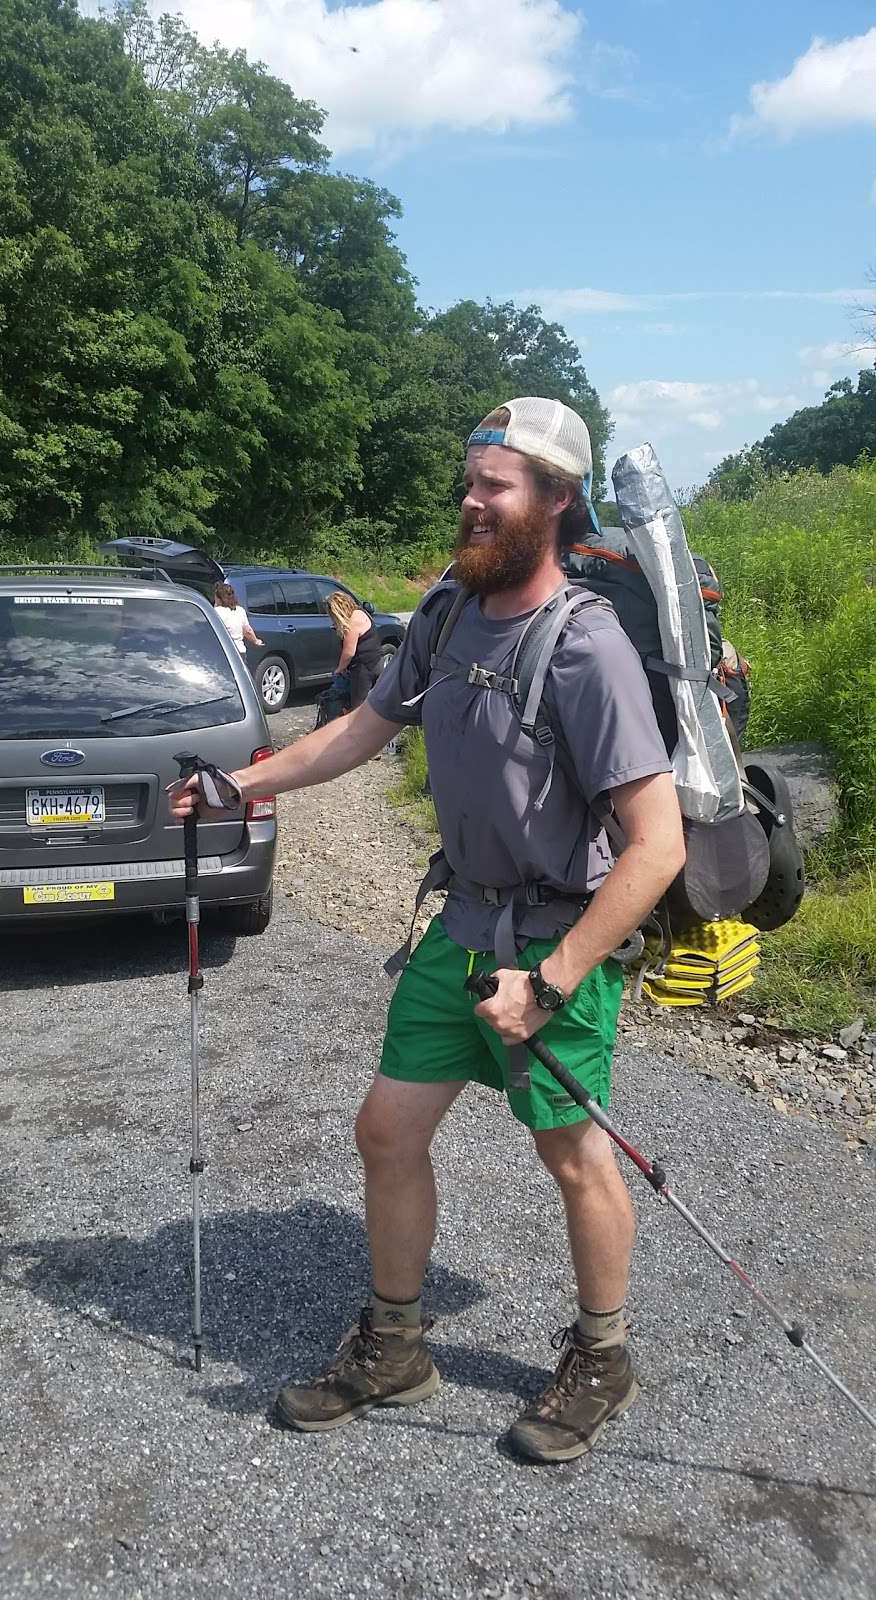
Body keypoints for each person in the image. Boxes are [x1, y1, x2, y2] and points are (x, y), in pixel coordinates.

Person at [170, 397, 685, 1464]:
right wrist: (241, 784)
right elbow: (361, 729)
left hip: (555, 943)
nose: (470, 496)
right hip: (457, 931)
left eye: (496, 483)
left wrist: (552, 978)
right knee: (388, 1130)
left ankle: (605, 1356)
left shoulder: (588, 650)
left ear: (555, 501)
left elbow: (656, 845)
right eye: (470, 476)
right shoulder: (448, 611)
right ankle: (395, 1347)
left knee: (573, 1154)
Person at [325, 591, 383, 709]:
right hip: (377, 662)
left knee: (358, 708)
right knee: (377, 704)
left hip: (363, 668)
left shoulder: (351, 622)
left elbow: (349, 652)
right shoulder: (361, 613)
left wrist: (339, 669)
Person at [213, 581, 263, 655]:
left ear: (218, 598)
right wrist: (256, 641)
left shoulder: (216, 612)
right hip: (239, 652)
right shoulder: (240, 610)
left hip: (223, 652)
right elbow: (247, 631)